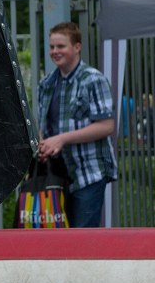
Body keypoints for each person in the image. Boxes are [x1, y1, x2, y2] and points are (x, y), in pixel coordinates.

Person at [37, 22, 117, 227]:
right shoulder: (46, 83)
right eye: (52, 47)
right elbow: (43, 125)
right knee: (58, 240)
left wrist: (62, 139)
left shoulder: (94, 79)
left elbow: (107, 126)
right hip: (56, 175)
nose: (55, 51)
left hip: (88, 172)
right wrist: (42, 143)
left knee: (83, 240)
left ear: (77, 47)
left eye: (61, 46)